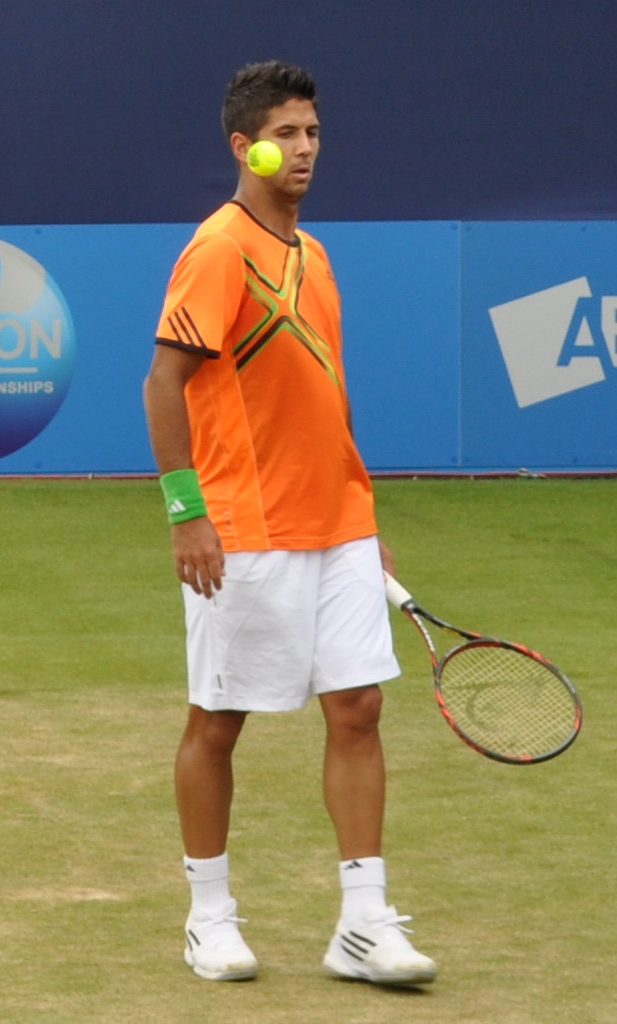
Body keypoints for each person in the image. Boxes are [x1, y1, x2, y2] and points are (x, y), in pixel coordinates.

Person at [143, 60, 437, 988]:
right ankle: (209, 917)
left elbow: (328, 398)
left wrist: (364, 510)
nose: (305, 149)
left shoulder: (316, 255)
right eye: (286, 135)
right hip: (246, 526)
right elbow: (163, 383)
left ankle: (363, 924)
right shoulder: (219, 247)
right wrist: (187, 512)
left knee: (358, 707)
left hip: (337, 521)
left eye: (313, 132)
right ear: (245, 146)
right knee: (218, 721)